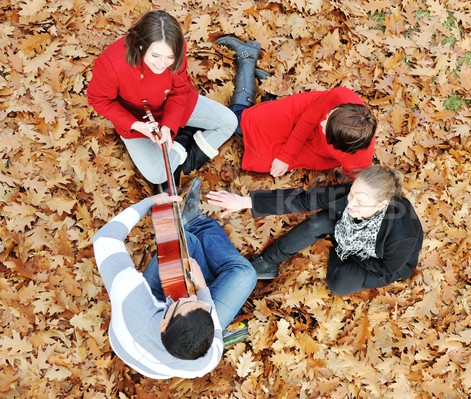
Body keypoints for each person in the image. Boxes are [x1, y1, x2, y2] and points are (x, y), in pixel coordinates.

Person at [92, 178, 257, 378]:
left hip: (146, 312)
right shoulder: (206, 361)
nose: (192, 295)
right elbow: (214, 335)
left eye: (188, 302)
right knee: (244, 274)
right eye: (199, 304)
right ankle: (197, 222)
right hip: (159, 330)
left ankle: (193, 224)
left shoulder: (131, 298)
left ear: (164, 324)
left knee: (186, 242)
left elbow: (104, 239)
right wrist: (202, 287)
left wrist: (151, 202)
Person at [206, 166, 423, 295]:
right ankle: (267, 262)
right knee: (318, 223)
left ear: (381, 205)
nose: (351, 203)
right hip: (350, 232)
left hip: (376, 261)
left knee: (338, 284)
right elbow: (304, 200)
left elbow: (387, 269)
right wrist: (245, 201)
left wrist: (347, 249)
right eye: (352, 194)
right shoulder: (352, 198)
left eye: (361, 200)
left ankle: (340, 248)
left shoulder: (403, 234)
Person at [87, 10, 238, 190]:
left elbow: (180, 90)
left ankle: (181, 142)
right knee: (157, 174)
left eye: (169, 58)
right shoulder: (111, 64)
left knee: (229, 122)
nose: (162, 64)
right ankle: (184, 139)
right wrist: (136, 125)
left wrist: (169, 126)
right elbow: (99, 100)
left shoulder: (177, 48)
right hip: (138, 118)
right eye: (155, 56)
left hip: (174, 107)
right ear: (141, 46)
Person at [214, 36, 378, 179]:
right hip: (302, 113)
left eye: (326, 127)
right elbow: (309, 120)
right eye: (328, 116)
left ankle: (268, 98)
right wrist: (286, 156)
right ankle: (247, 58)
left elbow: (353, 181)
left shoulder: (358, 162)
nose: (322, 122)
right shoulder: (341, 97)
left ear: (337, 144)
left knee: (264, 162)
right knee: (240, 122)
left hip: (314, 151)